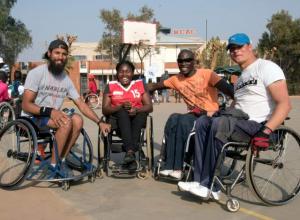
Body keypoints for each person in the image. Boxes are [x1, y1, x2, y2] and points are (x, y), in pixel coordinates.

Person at [178, 33, 291, 200]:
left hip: (259, 125)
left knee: (220, 124)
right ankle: (199, 180)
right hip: (238, 121)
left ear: (250, 47)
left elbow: (285, 105)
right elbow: (235, 106)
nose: (235, 51)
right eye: (231, 48)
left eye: (239, 46)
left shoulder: (267, 67)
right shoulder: (239, 80)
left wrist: (266, 131)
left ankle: (211, 186)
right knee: (203, 122)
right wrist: (209, 113)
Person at [22, 39, 111, 176]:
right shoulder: (37, 73)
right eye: (57, 53)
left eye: (64, 54)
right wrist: (50, 111)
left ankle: (61, 159)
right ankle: (53, 165)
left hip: (52, 117)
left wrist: (99, 122)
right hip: (32, 118)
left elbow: (81, 103)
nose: (60, 57)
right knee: (66, 121)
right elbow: (26, 105)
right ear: (49, 53)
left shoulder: (65, 79)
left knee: (78, 120)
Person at [147, 49, 234, 179]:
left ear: (194, 62)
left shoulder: (207, 74)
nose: (184, 63)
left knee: (183, 120)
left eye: (188, 60)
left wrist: (234, 109)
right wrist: (135, 90)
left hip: (210, 115)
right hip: (193, 114)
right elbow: (154, 86)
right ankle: (169, 165)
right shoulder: (176, 79)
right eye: (181, 61)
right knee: (173, 118)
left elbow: (230, 90)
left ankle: (178, 168)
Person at [102, 60, 153, 167]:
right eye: (121, 72)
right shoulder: (111, 86)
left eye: (128, 71)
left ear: (133, 73)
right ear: (117, 73)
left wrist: (136, 110)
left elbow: (149, 106)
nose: (124, 74)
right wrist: (120, 106)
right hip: (117, 122)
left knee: (142, 113)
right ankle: (132, 150)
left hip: (137, 119)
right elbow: (105, 109)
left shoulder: (139, 84)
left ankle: (129, 152)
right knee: (121, 111)